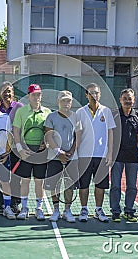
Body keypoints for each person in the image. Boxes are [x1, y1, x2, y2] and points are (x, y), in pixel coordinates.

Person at [76, 83, 116, 222]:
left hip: (102, 155)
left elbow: (110, 133)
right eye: (91, 93)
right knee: (84, 185)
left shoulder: (107, 111)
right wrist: (76, 153)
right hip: (84, 155)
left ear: (100, 94)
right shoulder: (80, 112)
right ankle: (84, 209)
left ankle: (98, 210)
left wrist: (110, 153)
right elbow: (78, 134)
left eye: (97, 93)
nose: (94, 96)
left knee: (100, 185)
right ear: (86, 95)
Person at [13, 84, 51, 220]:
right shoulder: (21, 111)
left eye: (38, 94)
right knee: (25, 181)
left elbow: (50, 132)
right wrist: (20, 149)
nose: (36, 97)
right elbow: (16, 131)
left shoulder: (47, 112)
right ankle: (24, 207)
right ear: (29, 96)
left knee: (39, 182)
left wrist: (46, 144)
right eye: (34, 94)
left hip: (41, 152)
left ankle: (39, 208)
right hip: (25, 151)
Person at [44, 90, 81, 223]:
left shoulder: (76, 117)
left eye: (68, 101)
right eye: (63, 100)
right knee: (54, 186)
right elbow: (48, 136)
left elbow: (78, 136)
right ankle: (56, 210)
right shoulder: (51, 117)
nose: (66, 103)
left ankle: (67, 210)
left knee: (69, 185)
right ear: (58, 102)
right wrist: (58, 152)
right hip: (54, 158)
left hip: (72, 158)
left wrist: (70, 152)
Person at [110, 88, 138, 223]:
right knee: (116, 186)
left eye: (130, 99)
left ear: (133, 100)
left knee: (132, 186)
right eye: (125, 98)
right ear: (120, 100)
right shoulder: (114, 114)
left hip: (133, 156)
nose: (127, 101)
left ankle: (129, 211)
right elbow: (110, 134)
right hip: (117, 156)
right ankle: (116, 212)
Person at [0, 81, 23, 213]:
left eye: (9, 91)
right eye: (4, 91)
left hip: (16, 149)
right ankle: (1, 204)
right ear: (0, 94)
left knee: (16, 177)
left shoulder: (19, 107)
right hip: (0, 149)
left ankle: (14, 203)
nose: (7, 94)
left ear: (13, 93)